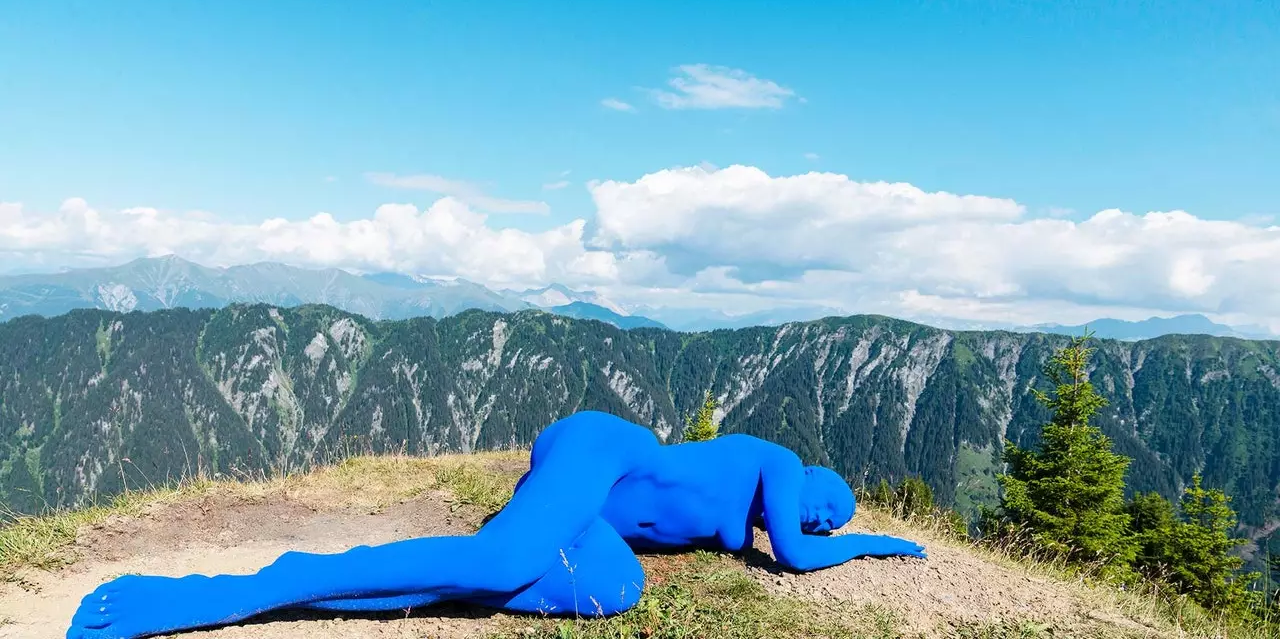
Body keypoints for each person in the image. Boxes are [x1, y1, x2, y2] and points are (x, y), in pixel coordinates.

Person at [67, 410, 926, 639]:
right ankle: (264, 586)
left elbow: (788, 543)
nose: (818, 515)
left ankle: (445, 574)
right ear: (813, 477)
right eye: (829, 501)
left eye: (830, 514)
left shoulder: (759, 502)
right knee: (503, 557)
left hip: (596, 518)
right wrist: (875, 541)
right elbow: (804, 560)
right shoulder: (775, 461)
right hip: (606, 447)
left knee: (615, 591)